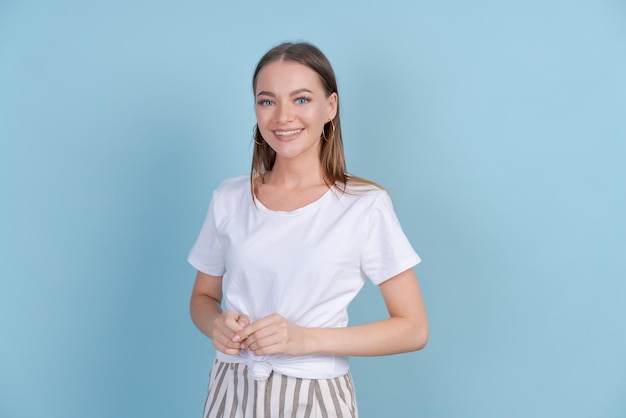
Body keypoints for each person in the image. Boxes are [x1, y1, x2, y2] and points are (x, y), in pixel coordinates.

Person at [188, 41, 428, 418]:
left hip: (315, 398)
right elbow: (202, 297)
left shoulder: (364, 206)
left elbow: (413, 328)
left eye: (301, 100)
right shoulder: (229, 198)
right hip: (230, 390)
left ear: (330, 107)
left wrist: (305, 339)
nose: (283, 116)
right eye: (267, 101)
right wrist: (216, 323)